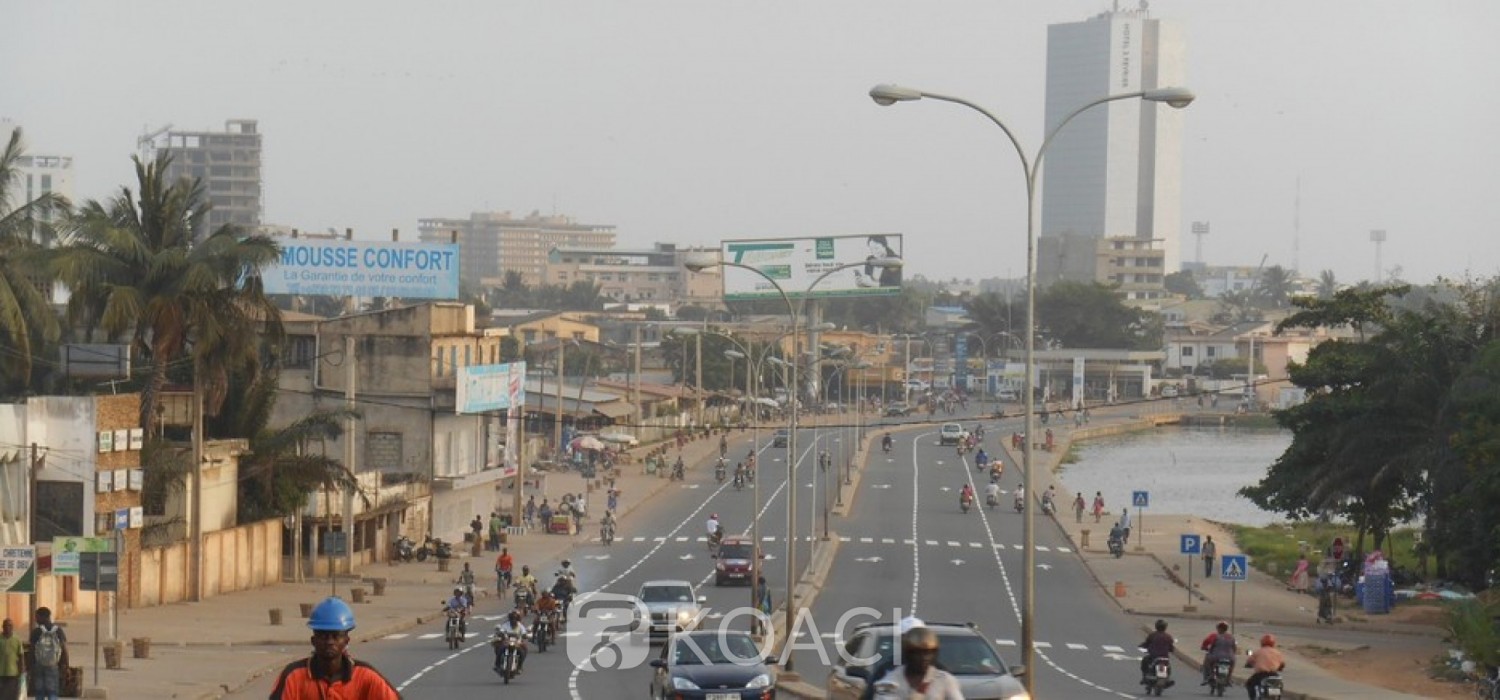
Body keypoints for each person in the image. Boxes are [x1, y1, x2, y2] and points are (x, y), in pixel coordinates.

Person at [270, 597, 399, 699]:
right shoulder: (293, 676)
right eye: (323, 636)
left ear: (346, 641)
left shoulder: (366, 677)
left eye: (336, 636)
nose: (330, 641)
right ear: (313, 641)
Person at [866, 626, 963, 699]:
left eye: (928, 653)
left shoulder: (944, 680)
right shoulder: (890, 681)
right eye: (918, 653)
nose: (924, 658)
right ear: (908, 653)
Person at [28, 607, 66, 700]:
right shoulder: (58, 630)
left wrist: (30, 666)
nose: (35, 619)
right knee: (52, 691)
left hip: (39, 665)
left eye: (37, 617)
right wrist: (65, 665)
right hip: (53, 665)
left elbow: (31, 650)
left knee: (39, 692)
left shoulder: (36, 632)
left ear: (43, 617)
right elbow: (64, 649)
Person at [1244, 634, 1286, 699]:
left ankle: (1253, 698)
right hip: (1274, 674)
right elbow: (1282, 664)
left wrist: (1248, 665)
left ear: (1262, 642)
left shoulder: (1258, 651)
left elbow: (1249, 661)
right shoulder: (1277, 652)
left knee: (1249, 684)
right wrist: (1280, 668)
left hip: (1261, 675)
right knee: (1279, 685)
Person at [491, 611, 530, 675]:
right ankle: (497, 665)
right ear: (509, 619)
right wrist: (501, 633)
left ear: (517, 619)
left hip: (517, 642)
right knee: (500, 649)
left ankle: (520, 666)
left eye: (515, 618)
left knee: (524, 649)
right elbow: (501, 630)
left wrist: (525, 635)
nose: (513, 620)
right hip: (506, 642)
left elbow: (524, 633)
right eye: (512, 618)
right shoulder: (505, 625)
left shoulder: (520, 625)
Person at [1139, 619, 1175, 687]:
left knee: (1144, 661)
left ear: (1156, 626)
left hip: (1154, 656)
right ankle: (1167, 678)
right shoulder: (1168, 636)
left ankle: (1144, 677)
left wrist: (1142, 646)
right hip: (1165, 657)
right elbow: (1171, 648)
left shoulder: (1152, 635)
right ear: (1165, 627)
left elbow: (1146, 643)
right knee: (1169, 666)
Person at [0, 619, 23, 700]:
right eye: (5, 625)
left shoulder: (17, 640)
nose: (7, 627)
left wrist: (22, 670)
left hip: (13, 673)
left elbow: (21, 656)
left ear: (12, 627)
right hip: (1, 673)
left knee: (12, 695)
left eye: (10, 626)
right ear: (2, 627)